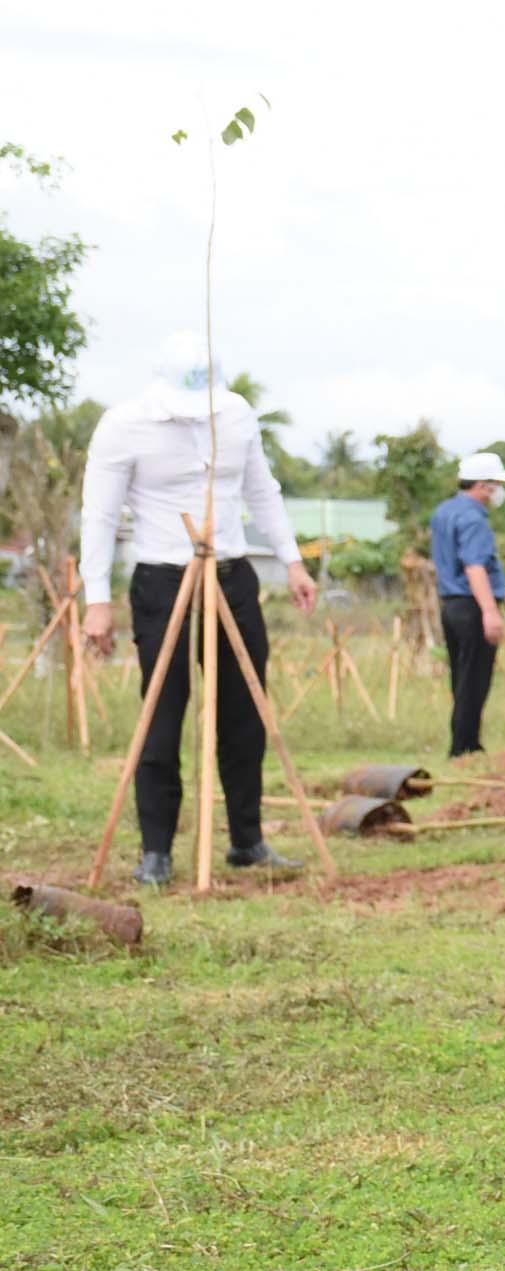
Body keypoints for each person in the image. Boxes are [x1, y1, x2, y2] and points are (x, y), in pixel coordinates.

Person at [78, 332, 319, 886]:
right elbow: (99, 515)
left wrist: (293, 561)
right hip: (164, 583)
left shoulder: (236, 416)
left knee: (245, 713)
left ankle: (247, 841)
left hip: (233, 578)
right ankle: (156, 852)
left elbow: (263, 490)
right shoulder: (123, 425)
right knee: (161, 715)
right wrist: (97, 600)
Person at [430, 451, 505, 760]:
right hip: (473, 606)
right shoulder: (473, 518)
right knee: (475, 679)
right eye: (495, 484)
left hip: (450, 605)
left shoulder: (444, 511)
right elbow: (475, 567)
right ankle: (465, 747)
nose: (497, 491)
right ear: (482, 485)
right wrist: (490, 612)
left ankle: (464, 741)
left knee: (461, 676)